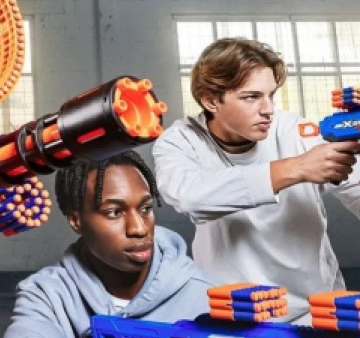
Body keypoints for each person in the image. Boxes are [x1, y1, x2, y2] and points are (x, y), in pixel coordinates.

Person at [153, 37, 360, 322]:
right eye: (251, 97)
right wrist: (297, 168)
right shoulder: (180, 141)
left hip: (317, 309)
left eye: (271, 95)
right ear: (210, 100)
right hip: (235, 312)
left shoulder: (294, 130)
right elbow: (190, 196)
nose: (268, 109)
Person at [3, 151, 212, 338]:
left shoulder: (205, 296)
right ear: (76, 220)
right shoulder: (46, 295)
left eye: (145, 209)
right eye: (114, 212)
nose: (139, 228)